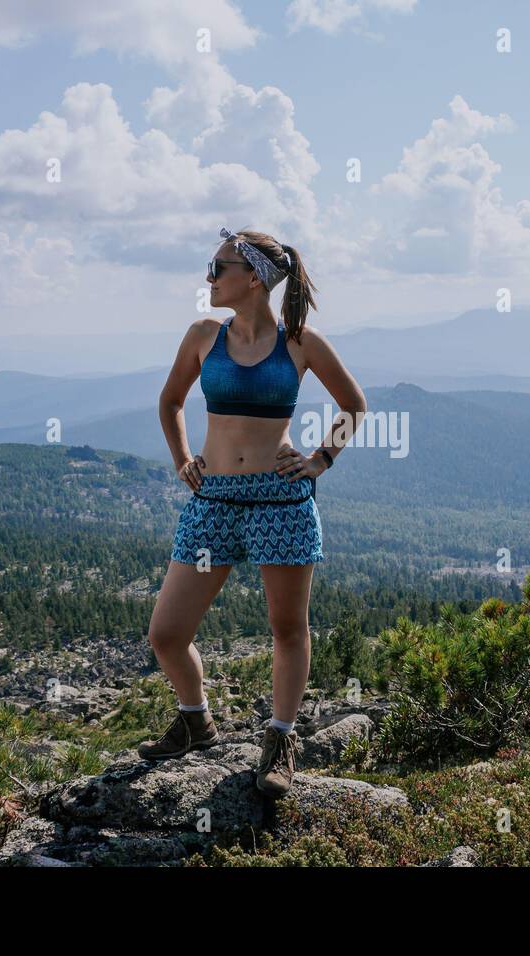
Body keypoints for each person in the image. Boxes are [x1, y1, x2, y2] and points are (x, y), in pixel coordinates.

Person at [139, 227, 365, 797]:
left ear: (255, 278)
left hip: (281, 501)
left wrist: (321, 459)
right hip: (213, 500)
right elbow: (170, 401)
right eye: (210, 267)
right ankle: (196, 719)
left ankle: (280, 740)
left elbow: (353, 404)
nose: (208, 278)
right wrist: (182, 458)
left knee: (287, 628)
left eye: (218, 268)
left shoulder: (301, 343)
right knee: (167, 633)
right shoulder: (202, 335)